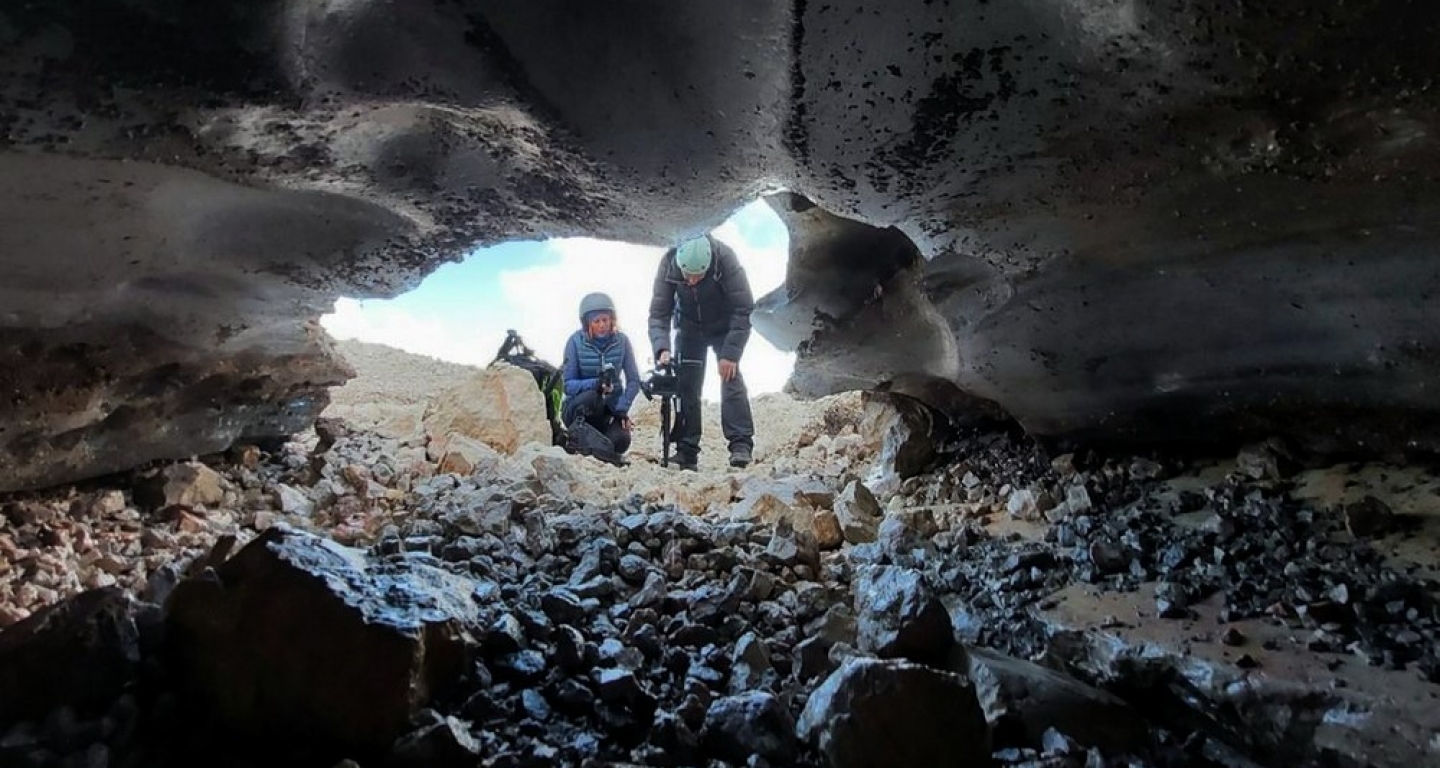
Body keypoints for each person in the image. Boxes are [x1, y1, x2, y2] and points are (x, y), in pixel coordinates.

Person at [648, 234, 755, 470]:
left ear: (709, 264)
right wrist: (662, 348)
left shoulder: (724, 258)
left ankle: (740, 444)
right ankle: (686, 451)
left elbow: (744, 308)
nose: (693, 280)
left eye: (699, 275)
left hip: (723, 326)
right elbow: (658, 314)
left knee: (731, 377)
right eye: (688, 275)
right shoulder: (669, 263)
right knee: (686, 384)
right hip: (688, 329)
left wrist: (730, 354)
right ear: (680, 265)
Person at [561, 292, 641, 456]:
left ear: (612, 319)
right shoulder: (574, 342)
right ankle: (578, 438)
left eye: (605, 319)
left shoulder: (623, 341)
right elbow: (567, 385)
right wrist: (595, 384)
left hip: (608, 411)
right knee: (592, 396)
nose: (602, 325)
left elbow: (634, 380)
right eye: (596, 321)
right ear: (587, 323)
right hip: (580, 407)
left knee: (621, 441)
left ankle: (597, 444)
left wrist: (622, 409)